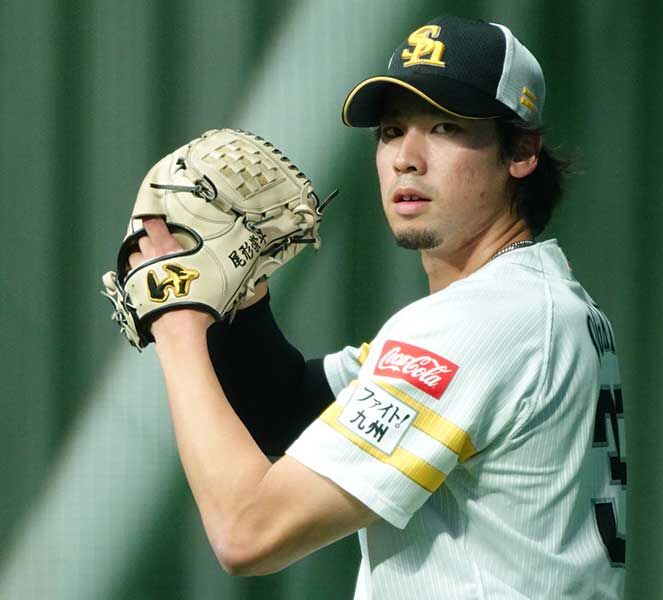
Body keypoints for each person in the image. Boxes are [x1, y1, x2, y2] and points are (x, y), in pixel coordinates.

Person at [130, 15, 627, 600]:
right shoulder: (536, 302)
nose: (406, 158)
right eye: (392, 131)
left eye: (444, 126)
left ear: (521, 151)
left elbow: (248, 531)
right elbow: (288, 406)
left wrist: (174, 322)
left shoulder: (481, 323)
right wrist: (245, 301)